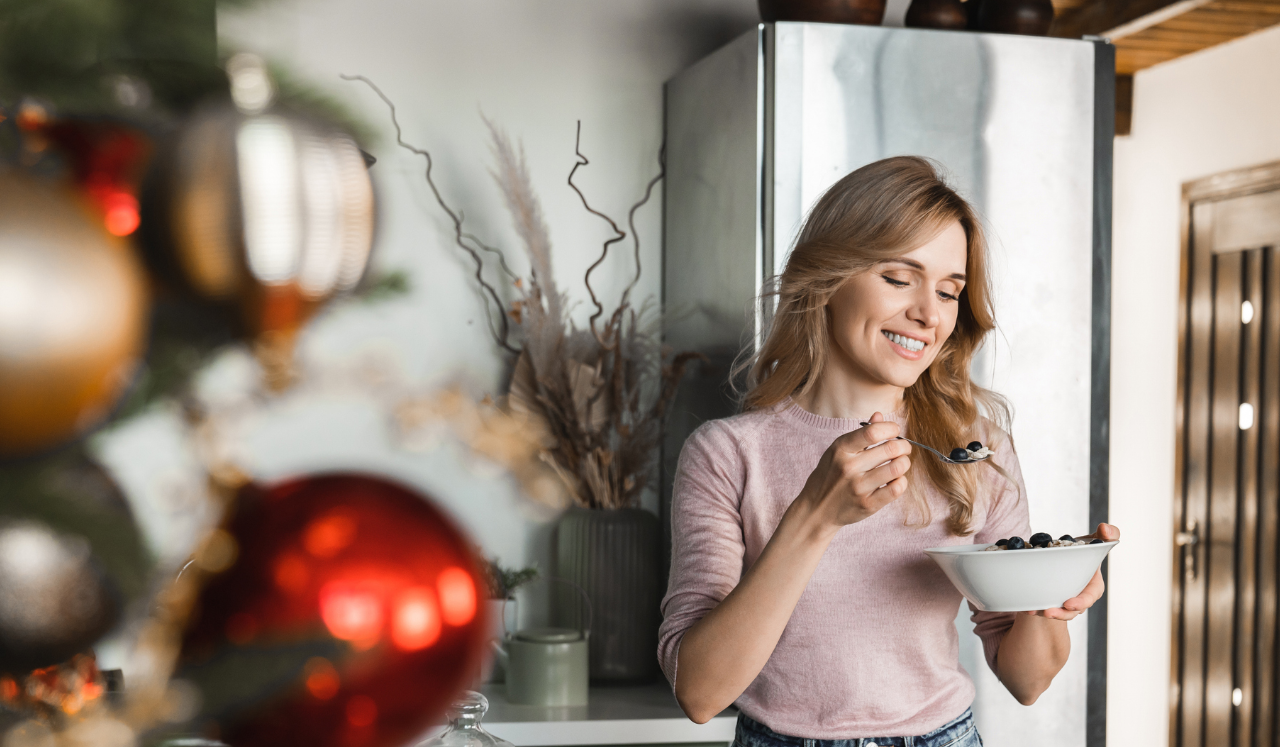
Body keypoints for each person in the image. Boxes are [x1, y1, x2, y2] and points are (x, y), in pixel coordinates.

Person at [658, 156, 1119, 747]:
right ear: (826, 278)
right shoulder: (728, 455)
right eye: (900, 279)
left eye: (949, 292)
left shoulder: (974, 448)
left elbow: (1027, 679)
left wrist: (1047, 593)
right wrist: (815, 516)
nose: (929, 314)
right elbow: (698, 692)